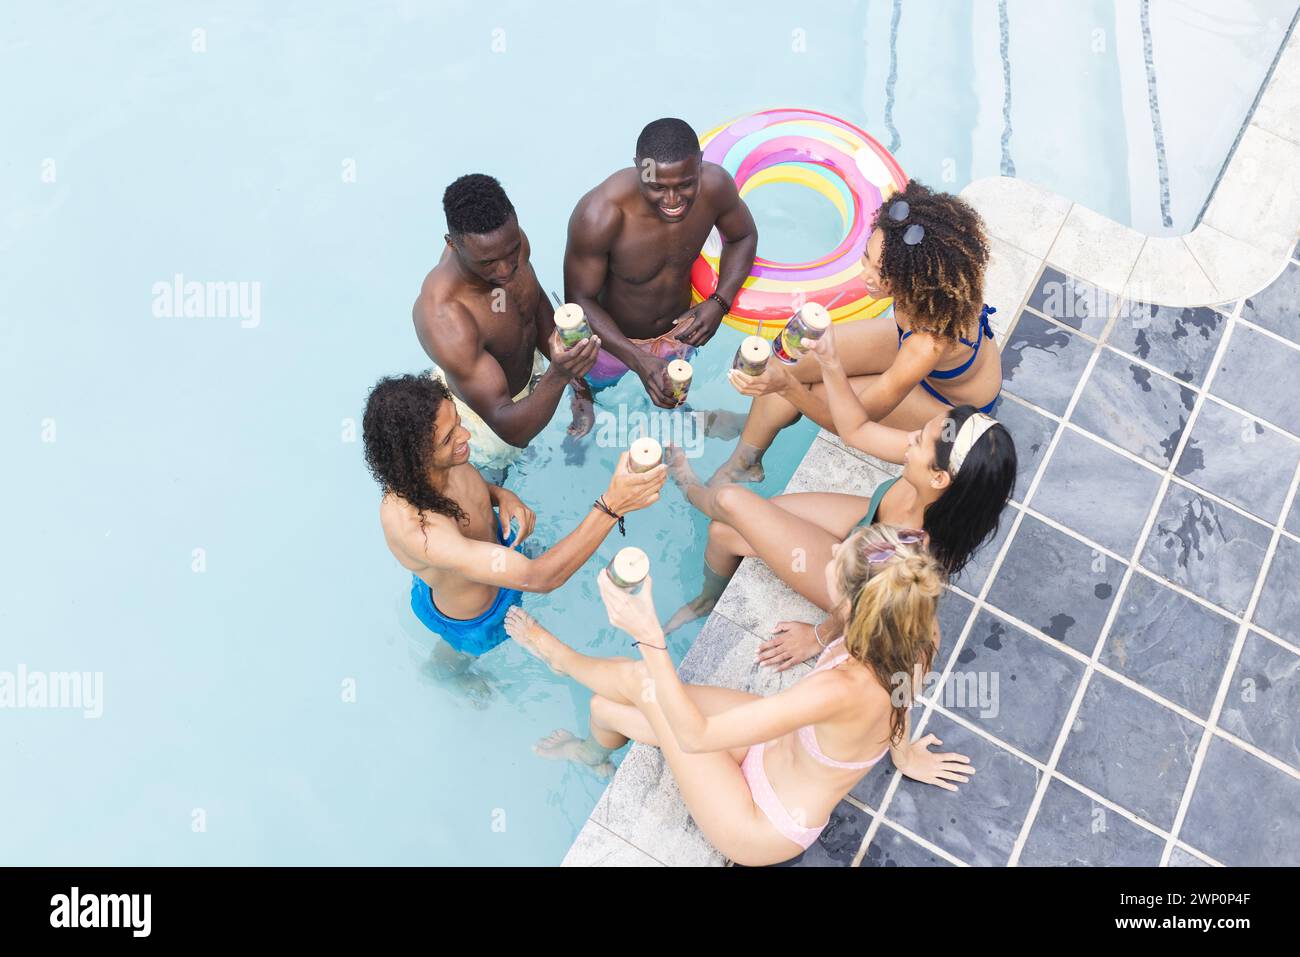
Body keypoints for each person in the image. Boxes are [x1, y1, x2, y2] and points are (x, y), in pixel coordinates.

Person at [505, 524, 975, 866]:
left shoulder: (838, 689)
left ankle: (567, 679)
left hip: (760, 822)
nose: (831, 548)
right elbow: (901, 697)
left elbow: (696, 735)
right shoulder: (916, 631)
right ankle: (585, 725)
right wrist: (905, 753)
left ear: (853, 605)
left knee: (636, 687)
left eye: (838, 558)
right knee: (607, 704)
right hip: (773, 751)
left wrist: (649, 634)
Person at [663, 356, 1016, 643]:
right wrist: (827, 363)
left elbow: (863, 610)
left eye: (920, 441)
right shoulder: (938, 476)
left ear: (939, 477)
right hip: (865, 525)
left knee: (727, 508)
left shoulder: (911, 550)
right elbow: (856, 430)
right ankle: (711, 591)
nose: (908, 440)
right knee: (726, 533)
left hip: (852, 585)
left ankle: (692, 512)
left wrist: (818, 636)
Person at [362, 374, 666, 698]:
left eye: (458, 421)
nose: (465, 435)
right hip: (478, 615)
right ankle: (443, 673)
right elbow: (540, 578)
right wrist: (612, 505)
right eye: (450, 437)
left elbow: (473, 491)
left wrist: (503, 497)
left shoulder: (443, 463)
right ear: (417, 459)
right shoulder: (422, 532)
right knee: (457, 656)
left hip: (493, 557)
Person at [709, 180, 1000, 486]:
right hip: (913, 346)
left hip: (945, 402)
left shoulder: (927, 343)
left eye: (883, 274)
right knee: (788, 358)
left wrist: (788, 389)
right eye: (866, 259)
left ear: (916, 281)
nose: (866, 277)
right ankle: (751, 448)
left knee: (806, 389)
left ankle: (744, 457)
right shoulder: (924, 289)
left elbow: (853, 426)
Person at [414, 173, 601, 484]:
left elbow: (534, 306)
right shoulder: (444, 314)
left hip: (532, 374)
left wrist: (580, 390)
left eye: (512, 251)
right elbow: (512, 431)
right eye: (487, 263)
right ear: (452, 244)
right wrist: (560, 375)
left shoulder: (506, 244)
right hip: (482, 424)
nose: (505, 270)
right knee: (494, 490)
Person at [564, 117, 758, 406]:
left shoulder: (715, 188)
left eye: (685, 185)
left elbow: (743, 237)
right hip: (612, 345)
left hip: (682, 330)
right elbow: (579, 300)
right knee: (592, 394)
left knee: (674, 400)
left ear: (700, 163)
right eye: (657, 187)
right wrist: (638, 360)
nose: (672, 200)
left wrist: (719, 303)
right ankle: (583, 403)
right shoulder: (600, 214)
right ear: (638, 166)